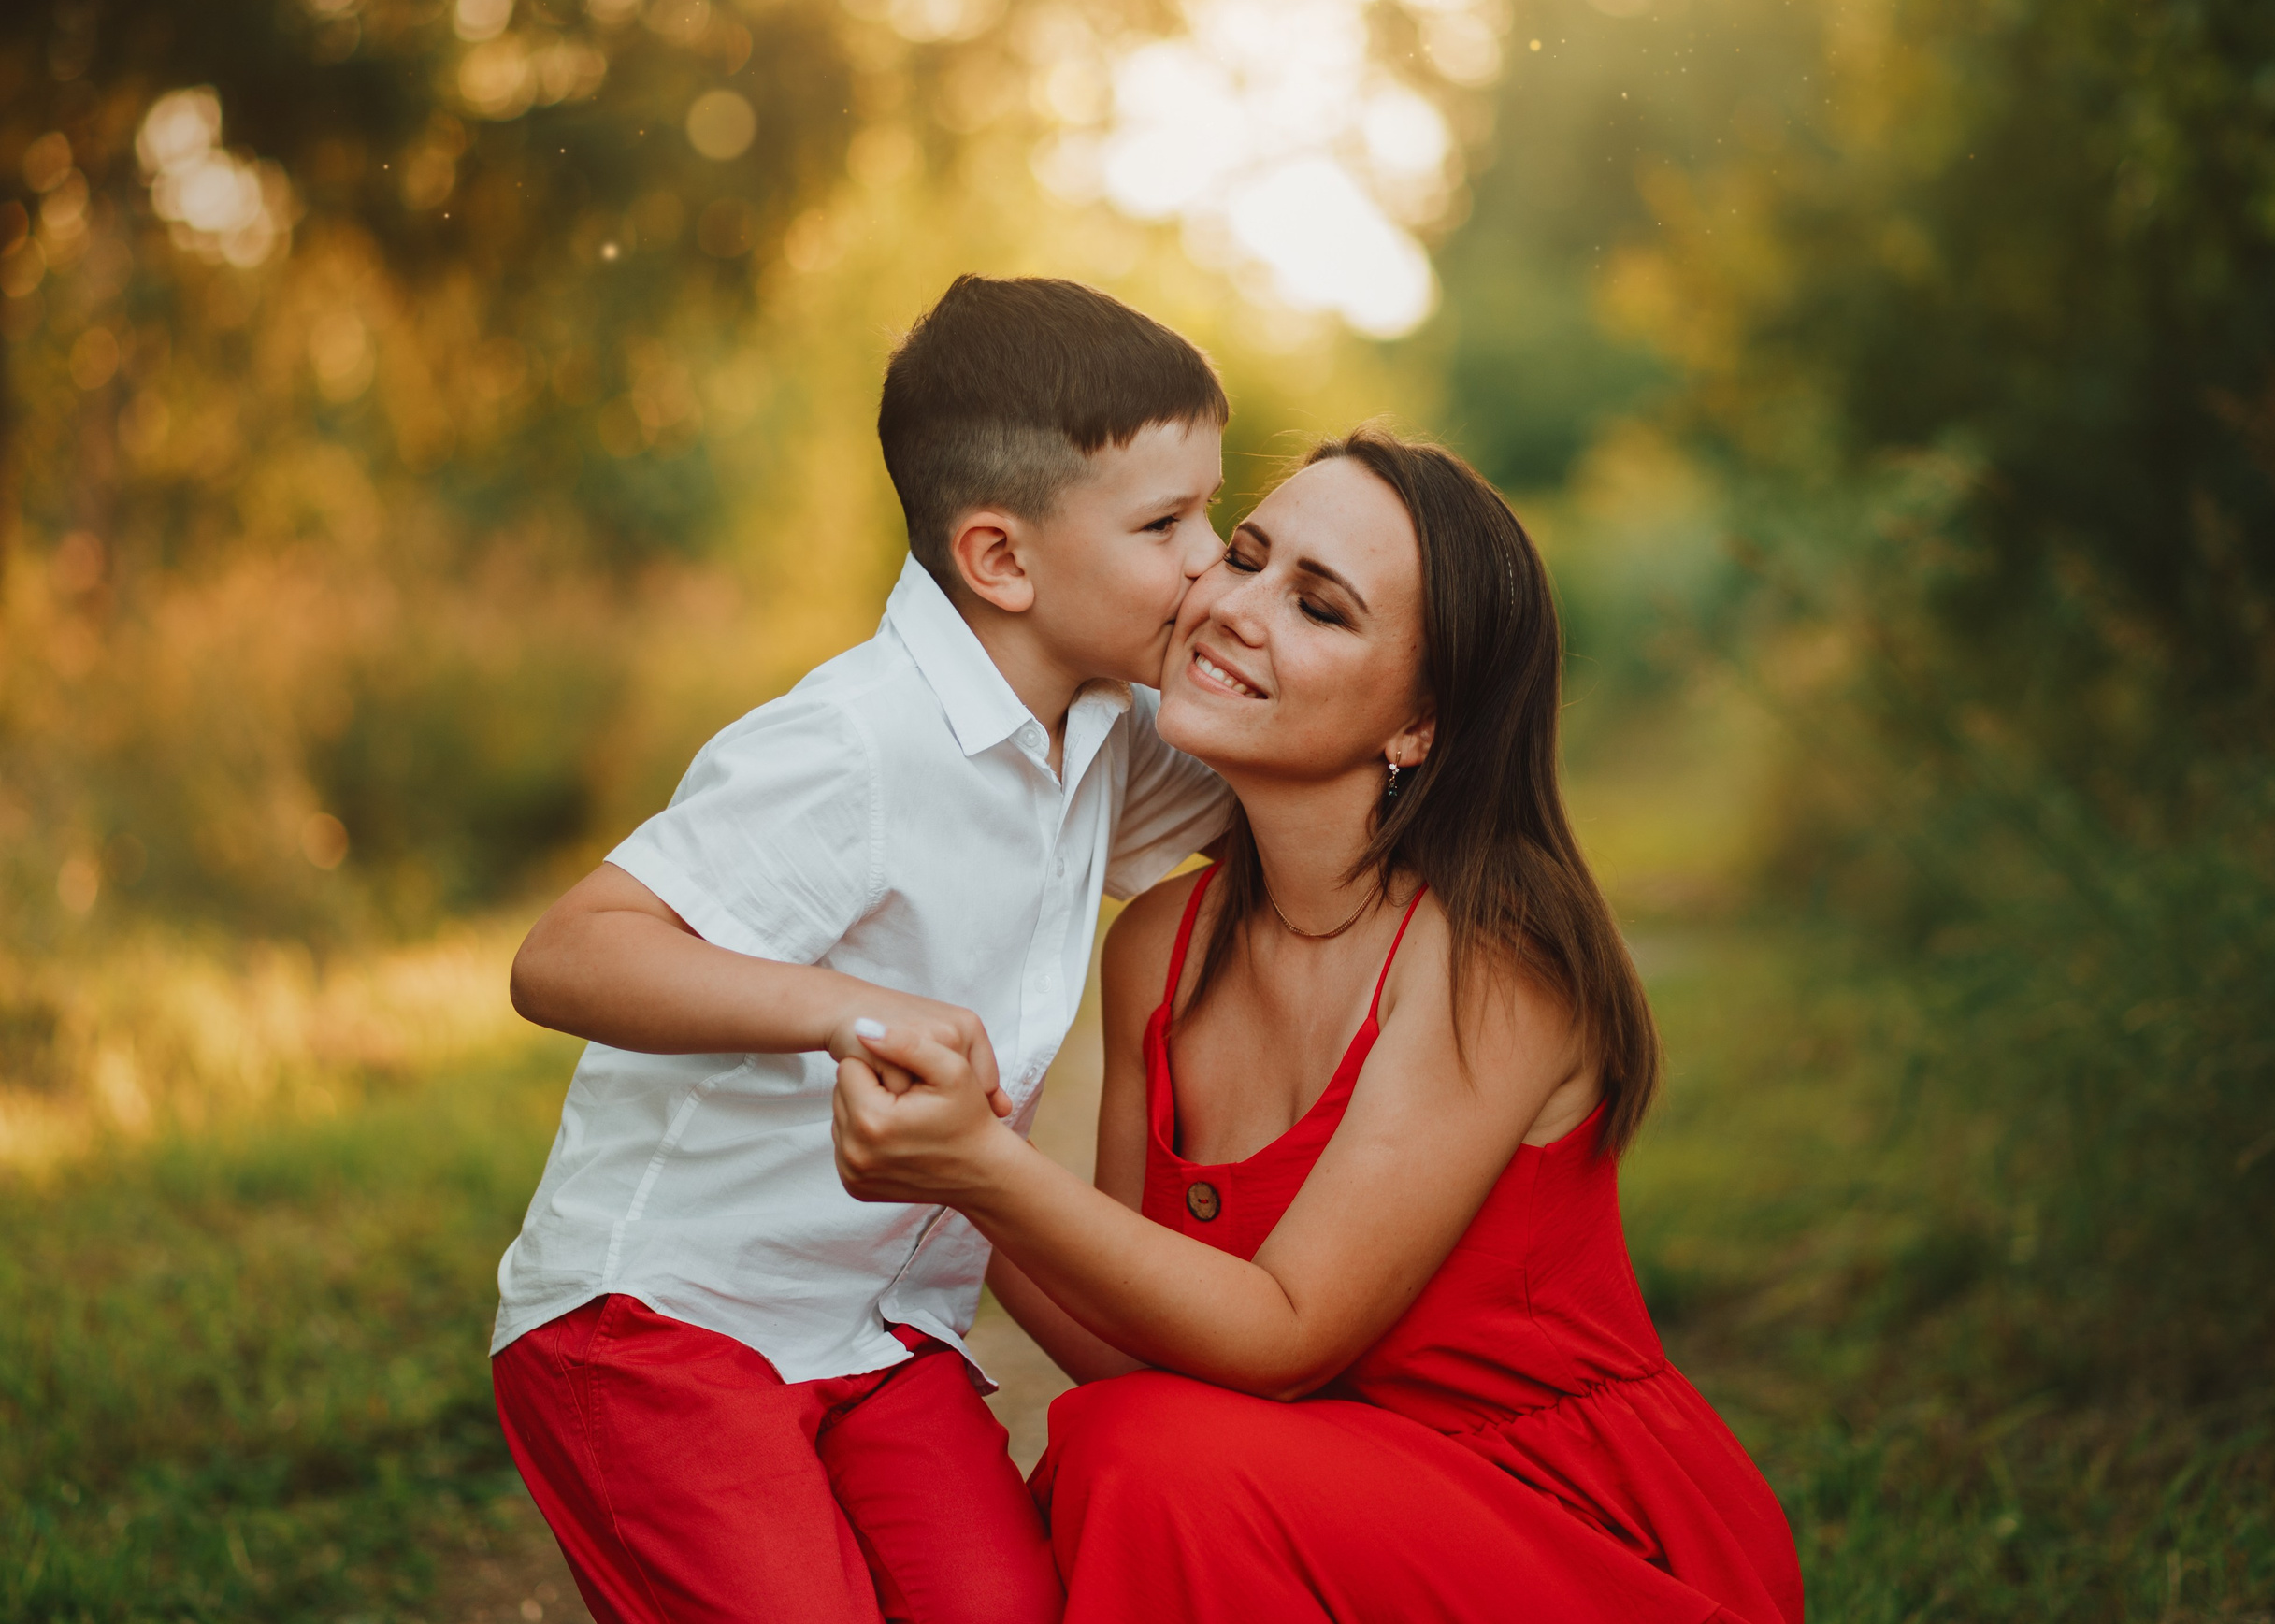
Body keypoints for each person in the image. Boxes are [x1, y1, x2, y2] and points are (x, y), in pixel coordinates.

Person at [832, 428, 1805, 1624]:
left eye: (1319, 607)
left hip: (1569, 1526)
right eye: (1242, 557)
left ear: (1421, 725)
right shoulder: (1163, 947)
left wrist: (981, 1168)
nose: (1236, 607)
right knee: (1126, 1442)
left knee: (1140, 1457)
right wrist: (950, 1173)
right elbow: (1141, 1350)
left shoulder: (1489, 959)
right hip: (1315, 1496)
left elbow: (1282, 1336)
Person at [491, 275, 1238, 1624]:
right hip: (665, 1320)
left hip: (879, 1333)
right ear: (1001, 560)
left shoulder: (1102, 736)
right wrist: (850, 1008)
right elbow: (568, 955)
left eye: (1214, 511)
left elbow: (1282, 787)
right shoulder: (853, 742)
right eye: (1166, 524)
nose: (1210, 558)